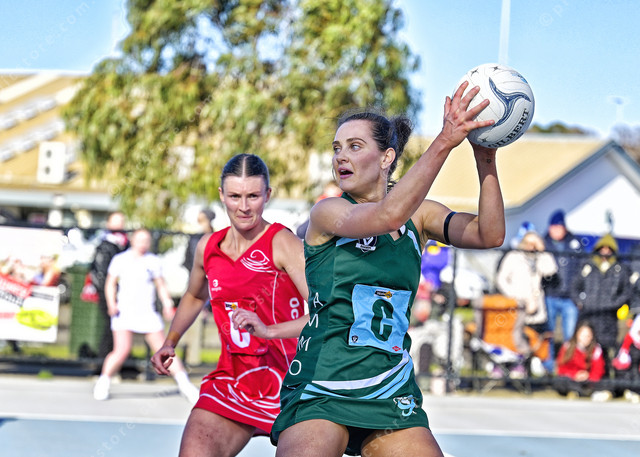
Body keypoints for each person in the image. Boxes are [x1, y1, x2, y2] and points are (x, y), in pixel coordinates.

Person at [233, 82, 505, 457]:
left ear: (386, 157)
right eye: (337, 148)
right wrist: (445, 140)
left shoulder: (421, 216)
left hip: (389, 386)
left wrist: (485, 158)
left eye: (354, 146)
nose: (340, 157)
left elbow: (490, 234)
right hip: (324, 382)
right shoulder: (328, 212)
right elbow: (386, 215)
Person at [150, 154, 308, 457]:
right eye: (235, 196)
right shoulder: (208, 247)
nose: (244, 206)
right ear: (222, 195)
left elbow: (325, 311)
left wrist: (269, 331)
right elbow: (195, 296)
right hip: (233, 380)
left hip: (289, 382)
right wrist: (170, 341)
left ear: (267, 195)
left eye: (253, 196)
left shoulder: (283, 243)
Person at [93, 228, 199, 402]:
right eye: (140, 240)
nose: (143, 244)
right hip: (124, 312)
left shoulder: (153, 261)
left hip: (147, 313)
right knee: (121, 350)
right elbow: (110, 283)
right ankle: (103, 382)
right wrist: (112, 304)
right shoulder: (120, 260)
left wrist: (167, 304)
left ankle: (185, 385)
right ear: (133, 240)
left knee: (164, 350)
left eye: (146, 241)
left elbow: (161, 285)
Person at [495, 230, 558, 375]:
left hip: (536, 308)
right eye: (528, 242)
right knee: (516, 337)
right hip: (517, 306)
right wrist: (517, 297)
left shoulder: (540, 257)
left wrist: (543, 250)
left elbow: (551, 270)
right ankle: (515, 366)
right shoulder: (513, 257)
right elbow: (501, 280)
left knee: (534, 338)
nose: (531, 246)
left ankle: (532, 369)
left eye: (534, 243)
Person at [571, 233, 631, 377]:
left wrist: (612, 304)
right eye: (602, 248)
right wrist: (581, 302)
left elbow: (626, 292)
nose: (605, 252)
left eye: (608, 249)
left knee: (607, 347)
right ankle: (587, 377)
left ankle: (607, 378)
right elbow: (574, 287)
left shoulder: (620, 269)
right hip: (588, 314)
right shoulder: (588, 266)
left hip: (608, 317)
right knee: (587, 345)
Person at [542, 209, 584, 372]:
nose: (556, 231)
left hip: (569, 297)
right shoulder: (543, 243)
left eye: (559, 227)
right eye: (554, 227)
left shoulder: (574, 243)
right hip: (549, 296)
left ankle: (568, 365)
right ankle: (548, 367)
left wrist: (578, 293)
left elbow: (581, 269)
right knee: (548, 333)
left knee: (570, 334)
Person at [88, 211, 128, 358]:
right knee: (112, 326)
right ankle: (104, 359)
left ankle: (119, 358)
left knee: (120, 328)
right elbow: (101, 273)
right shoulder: (105, 245)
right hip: (108, 292)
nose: (120, 225)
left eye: (121, 221)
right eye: (116, 221)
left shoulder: (125, 244)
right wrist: (109, 294)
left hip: (122, 292)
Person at [553, 321, 606, 399]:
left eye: (588, 336)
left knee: (604, 383)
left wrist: (588, 376)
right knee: (560, 382)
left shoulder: (596, 350)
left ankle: (581, 392)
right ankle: (576, 391)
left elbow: (598, 370)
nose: (585, 338)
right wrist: (575, 375)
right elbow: (561, 369)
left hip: (588, 380)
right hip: (571, 379)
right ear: (577, 334)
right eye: (583, 335)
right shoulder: (567, 347)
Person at [183, 207, 215, 273]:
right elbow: (188, 260)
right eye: (198, 220)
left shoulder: (216, 238)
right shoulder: (194, 239)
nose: (199, 224)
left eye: (202, 220)